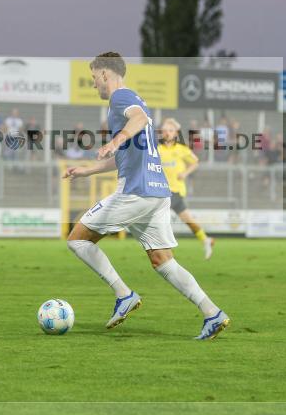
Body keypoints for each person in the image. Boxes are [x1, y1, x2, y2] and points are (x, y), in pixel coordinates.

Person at [62, 53, 228, 340]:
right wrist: (88, 170)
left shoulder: (121, 98)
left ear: (104, 74)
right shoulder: (133, 100)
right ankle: (212, 313)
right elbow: (123, 155)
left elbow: (137, 121)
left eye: (93, 79)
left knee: (77, 238)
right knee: (163, 260)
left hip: (136, 192)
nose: (93, 85)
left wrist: (115, 140)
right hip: (157, 193)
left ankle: (123, 294)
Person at [158, 118, 215, 259]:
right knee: (188, 220)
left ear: (176, 133)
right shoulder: (157, 149)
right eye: (164, 130)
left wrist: (185, 173)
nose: (167, 133)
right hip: (161, 189)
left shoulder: (181, 149)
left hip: (175, 190)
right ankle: (206, 240)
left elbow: (195, 162)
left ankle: (165, 249)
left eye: (170, 130)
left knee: (159, 218)